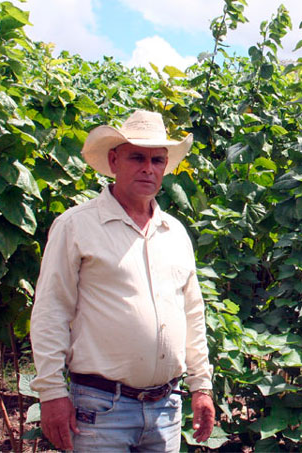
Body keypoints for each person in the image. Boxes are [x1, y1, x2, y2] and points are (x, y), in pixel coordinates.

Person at [30, 110, 215, 452]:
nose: (148, 168)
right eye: (137, 157)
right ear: (114, 160)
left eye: (157, 160)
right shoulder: (76, 227)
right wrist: (52, 393)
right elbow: (51, 311)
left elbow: (192, 315)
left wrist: (201, 387)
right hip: (100, 410)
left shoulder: (174, 233)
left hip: (166, 409)